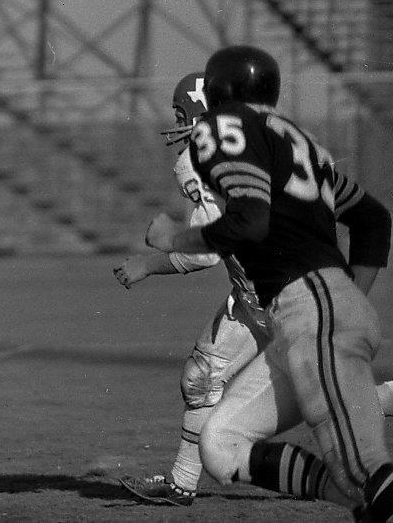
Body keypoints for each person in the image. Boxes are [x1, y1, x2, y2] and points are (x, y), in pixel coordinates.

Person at [145, 45, 393, 520]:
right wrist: (349, 299)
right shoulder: (300, 142)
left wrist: (171, 238)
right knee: (221, 447)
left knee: (361, 469)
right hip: (305, 315)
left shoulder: (226, 129)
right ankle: (360, 501)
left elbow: (248, 223)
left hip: (310, 306)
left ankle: (373, 497)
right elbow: (372, 220)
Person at [113, 73, 265, 505]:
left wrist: (149, 262)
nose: (178, 124)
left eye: (183, 114)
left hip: (268, 296)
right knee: (326, 389)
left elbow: (206, 251)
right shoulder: (258, 145)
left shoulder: (199, 163)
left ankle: (182, 483)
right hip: (292, 283)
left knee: (205, 378)